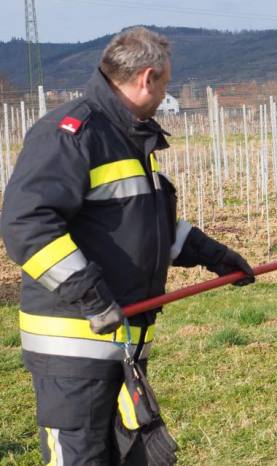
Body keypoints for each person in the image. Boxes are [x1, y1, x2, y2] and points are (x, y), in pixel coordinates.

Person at [1, 26, 254, 465]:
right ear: (147, 77)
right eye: (166, 84)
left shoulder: (128, 136)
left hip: (120, 345)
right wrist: (91, 295)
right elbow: (26, 225)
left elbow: (139, 228)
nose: (164, 94)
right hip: (73, 346)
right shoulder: (73, 134)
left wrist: (215, 256)